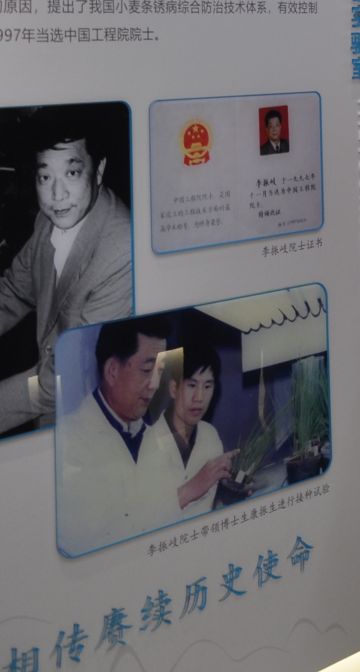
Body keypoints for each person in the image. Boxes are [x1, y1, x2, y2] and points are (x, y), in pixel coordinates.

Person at [0, 108, 135, 433]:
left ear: (98, 171)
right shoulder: (47, 220)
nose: (57, 195)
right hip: (49, 404)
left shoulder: (120, 252)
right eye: (45, 177)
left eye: (72, 173)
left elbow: (67, 375)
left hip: (93, 422)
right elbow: (14, 292)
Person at [56, 315, 169, 556]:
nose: (155, 384)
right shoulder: (69, 440)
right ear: (112, 371)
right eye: (147, 370)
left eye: (159, 371)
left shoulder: (156, 435)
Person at [144, 340, 233, 520]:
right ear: (173, 389)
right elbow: (142, 520)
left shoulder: (210, 435)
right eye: (192, 385)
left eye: (207, 386)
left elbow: (212, 505)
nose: (199, 397)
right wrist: (194, 487)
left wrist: (231, 493)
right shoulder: (146, 443)